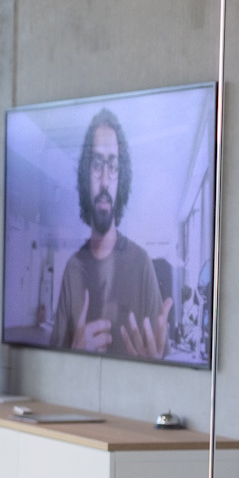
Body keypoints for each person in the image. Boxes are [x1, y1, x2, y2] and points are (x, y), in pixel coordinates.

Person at [50, 107, 168, 359]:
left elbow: (161, 360)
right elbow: (52, 362)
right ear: (85, 175)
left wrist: (156, 364)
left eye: (113, 166)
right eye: (96, 165)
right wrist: (74, 351)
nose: (104, 181)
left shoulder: (142, 264)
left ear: (121, 179)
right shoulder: (72, 269)